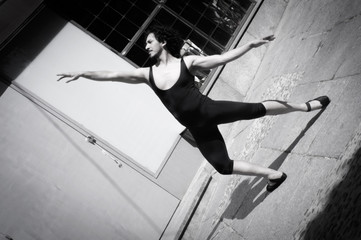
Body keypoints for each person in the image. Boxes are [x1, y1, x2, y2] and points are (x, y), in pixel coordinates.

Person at [57, 25, 330, 192]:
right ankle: (274, 175)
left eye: (149, 41)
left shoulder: (188, 63)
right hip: (198, 127)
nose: (146, 45)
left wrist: (248, 45)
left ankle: (306, 106)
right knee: (222, 166)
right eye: (145, 44)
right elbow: (112, 75)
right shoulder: (146, 74)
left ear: (163, 42)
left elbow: (221, 58)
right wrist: (83, 73)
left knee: (257, 109)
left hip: (209, 110)